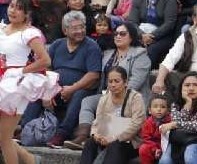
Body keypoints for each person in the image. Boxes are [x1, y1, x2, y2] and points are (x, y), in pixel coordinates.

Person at [0, 0, 58, 164]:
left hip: (16, 84)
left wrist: (22, 71)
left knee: (4, 138)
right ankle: (29, 158)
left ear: (27, 13)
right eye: (11, 6)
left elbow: (45, 60)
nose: (12, 10)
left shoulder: (29, 34)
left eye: (18, 8)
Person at [21, 11, 102, 149]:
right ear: (65, 31)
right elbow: (45, 69)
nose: (80, 31)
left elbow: (93, 75)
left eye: (82, 27)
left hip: (81, 88)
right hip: (55, 87)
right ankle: (25, 129)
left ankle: (62, 133)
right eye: (75, 28)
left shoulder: (91, 46)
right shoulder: (57, 44)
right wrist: (48, 91)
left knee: (80, 95)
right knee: (36, 90)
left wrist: (72, 88)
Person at [64, 21, 150, 150]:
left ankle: (104, 139)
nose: (118, 36)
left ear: (131, 37)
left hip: (130, 99)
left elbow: (135, 82)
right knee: (87, 100)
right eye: (116, 33)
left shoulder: (140, 55)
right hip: (108, 94)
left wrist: (112, 95)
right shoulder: (108, 54)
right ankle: (82, 136)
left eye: (122, 34)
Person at [62, 66, 146, 164]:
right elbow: (97, 122)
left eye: (117, 81)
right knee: (90, 143)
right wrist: (96, 135)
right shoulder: (104, 98)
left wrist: (115, 137)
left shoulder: (135, 98)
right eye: (110, 81)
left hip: (130, 141)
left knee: (116, 144)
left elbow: (137, 123)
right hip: (107, 136)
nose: (113, 85)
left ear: (125, 83)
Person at [128, 0, 179, 67]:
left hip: (163, 36)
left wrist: (152, 36)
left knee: (152, 49)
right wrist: (142, 35)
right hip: (141, 35)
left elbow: (169, 23)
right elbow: (132, 22)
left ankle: (142, 74)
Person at [138, 94, 171, 164]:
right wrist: (155, 149)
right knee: (143, 148)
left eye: (163, 107)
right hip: (153, 146)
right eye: (155, 107)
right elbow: (146, 138)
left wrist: (161, 149)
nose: (159, 109)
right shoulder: (148, 123)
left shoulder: (170, 122)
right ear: (149, 110)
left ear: (168, 111)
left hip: (166, 146)